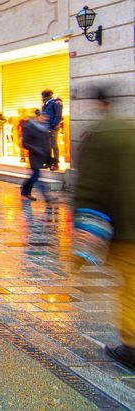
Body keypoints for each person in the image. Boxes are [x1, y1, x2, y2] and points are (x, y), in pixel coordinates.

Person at [74, 87, 135, 370]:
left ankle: (132, 346)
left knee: (131, 286)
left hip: (126, 227)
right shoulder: (129, 129)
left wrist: (83, 235)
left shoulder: (100, 134)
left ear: (98, 104)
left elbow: (91, 187)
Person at [20, 110, 52, 202]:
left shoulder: (44, 128)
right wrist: (36, 149)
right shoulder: (29, 127)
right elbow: (25, 143)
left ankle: (24, 191)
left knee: (34, 176)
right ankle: (47, 197)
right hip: (34, 156)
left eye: (47, 117)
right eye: (44, 116)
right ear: (38, 117)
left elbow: (47, 144)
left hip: (42, 156)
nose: (46, 118)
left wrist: (49, 159)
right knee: (36, 176)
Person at [41, 89, 63, 170]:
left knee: (54, 146)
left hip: (52, 128)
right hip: (45, 128)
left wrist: (53, 126)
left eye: (42, 96)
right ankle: (48, 163)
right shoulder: (45, 104)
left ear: (47, 96)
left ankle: (56, 164)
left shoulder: (56, 103)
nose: (41, 98)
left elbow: (58, 116)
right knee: (47, 146)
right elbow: (44, 116)